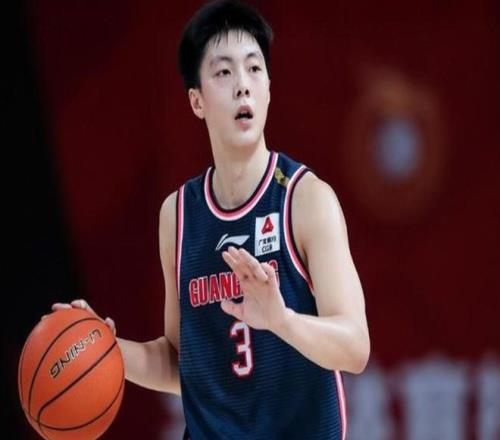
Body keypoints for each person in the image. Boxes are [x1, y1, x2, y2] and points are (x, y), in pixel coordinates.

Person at [53, 1, 370, 439]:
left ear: (269, 88)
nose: (243, 86)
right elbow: (182, 363)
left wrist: (281, 320)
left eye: (254, 69)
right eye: (224, 72)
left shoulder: (305, 199)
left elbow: (355, 347)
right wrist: (101, 350)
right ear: (196, 101)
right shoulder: (178, 215)